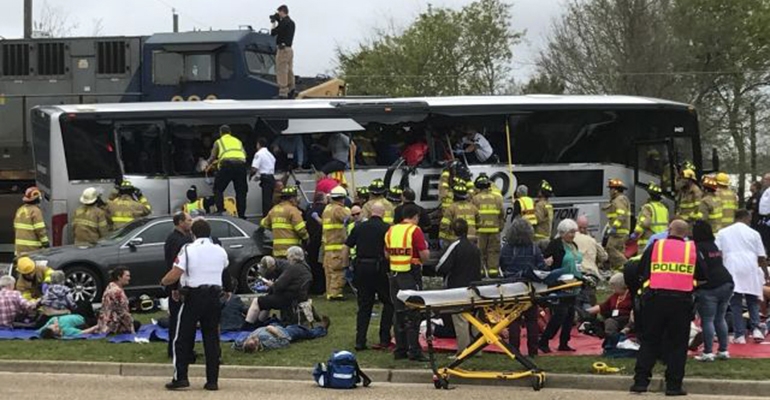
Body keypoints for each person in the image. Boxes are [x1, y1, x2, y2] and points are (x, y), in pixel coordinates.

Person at [630, 220, 708, 396]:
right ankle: (673, 386)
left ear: (669, 230)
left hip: (655, 300)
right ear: (685, 233)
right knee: (678, 345)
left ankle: (640, 383)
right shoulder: (692, 249)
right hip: (681, 302)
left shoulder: (656, 246)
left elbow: (641, 270)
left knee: (649, 340)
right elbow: (703, 275)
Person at [162, 219, 229, 391]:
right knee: (212, 339)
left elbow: (176, 272)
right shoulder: (219, 250)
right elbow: (225, 273)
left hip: (194, 297)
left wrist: (164, 281)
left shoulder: (188, 249)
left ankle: (181, 377)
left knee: (182, 337)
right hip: (214, 297)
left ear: (193, 233)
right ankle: (212, 381)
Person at [343, 202, 393, 351]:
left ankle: (360, 341)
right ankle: (384, 339)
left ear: (370, 213)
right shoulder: (387, 229)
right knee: (388, 303)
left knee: (364, 306)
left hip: (362, 269)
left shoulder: (359, 227)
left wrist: (346, 266)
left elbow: (346, 247)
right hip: (380, 269)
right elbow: (388, 252)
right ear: (382, 213)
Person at [716, 210, 769, 344]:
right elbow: (761, 256)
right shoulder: (754, 233)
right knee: (752, 300)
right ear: (746, 218)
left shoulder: (723, 232)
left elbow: (718, 252)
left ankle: (739, 334)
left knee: (735, 303)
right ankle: (756, 328)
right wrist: (766, 274)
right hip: (750, 267)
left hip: (731, 267)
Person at [386, 204, 430, 361]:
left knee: (398, 313)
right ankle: (414, 351)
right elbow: (424, 256)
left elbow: (386, 253)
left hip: (394, 275)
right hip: (410, 275)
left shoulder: (391, 230)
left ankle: (400, 349)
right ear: (415, 217)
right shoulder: (414, 230)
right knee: (414, 313)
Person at [499, 218, 548, 356]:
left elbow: (502, 265)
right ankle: (533, 351)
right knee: (531, 320)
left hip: (512, 287)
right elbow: (541, 268)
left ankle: (514, 350)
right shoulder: (534, 248)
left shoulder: (507, 248)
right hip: (529, 287)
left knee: (514, 320)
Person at [436, 219, 482, 357]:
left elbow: (442, 266)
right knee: (475, 320)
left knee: (460, 319)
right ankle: (478, 349)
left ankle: (463, 351)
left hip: (458, 289)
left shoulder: (454, 246)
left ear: (453, 231)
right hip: (475, 287)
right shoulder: (475, 248)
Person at [691, 220, 734, 361]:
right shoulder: (713, 245)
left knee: (707, 320)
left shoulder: (697, 247)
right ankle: (723, 350)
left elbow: (700, 266)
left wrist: (699, 281)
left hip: (710, 286)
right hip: (726, 282)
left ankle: (708, 352)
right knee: (720, 318)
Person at [540, 219, 583, 353]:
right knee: (560, 314)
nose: (573, 235)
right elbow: (545, 263)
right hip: (560, 285)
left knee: (570, 315)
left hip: (574, 283)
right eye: (570, 232)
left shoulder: (573, 245)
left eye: (574, 232)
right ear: (562, 232)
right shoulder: (555, 245)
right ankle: (544, 340)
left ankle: (564, 342)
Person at [244, 248, 313, 324]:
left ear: (293, 257)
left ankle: (248, 325)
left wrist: (271, 285)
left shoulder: (292, 269)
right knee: (268, 298)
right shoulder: (306, 268)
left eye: (288, 256)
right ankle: (260, 322)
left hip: (288, 299)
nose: (287, 258)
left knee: (256, 301)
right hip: (298, 297)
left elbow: (278, 286)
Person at [163, 212, 193, 358]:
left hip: (180, 286)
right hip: (177, 287)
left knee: (183, 320)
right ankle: (175, 350)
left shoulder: (182, 238)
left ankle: (184, 349)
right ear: (180, 222)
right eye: (189, 220)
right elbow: (174, 266)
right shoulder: (176, 240)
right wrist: (174, 288)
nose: (191, 222)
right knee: (177, 320)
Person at [208, 125, 248, 218]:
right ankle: (242, 215)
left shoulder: (219, 142)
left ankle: (220, 211)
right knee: (241, 192)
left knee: (218, 189)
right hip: (241, 166)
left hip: (227, 166)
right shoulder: (238, 141)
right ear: (230, 132)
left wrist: (208, 164)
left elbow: (213, 156)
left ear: (221, 133)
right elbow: (244, 154)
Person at [260, 186, 309, 258]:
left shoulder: (274, 210)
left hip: (277, 251)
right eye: (296, 197)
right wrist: (307, 238)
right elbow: (301, 230)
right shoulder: (293, 210)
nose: (297, 200)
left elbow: (263, 223)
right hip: (291, 251)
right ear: (292, 199)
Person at [322, 186, 352, 300]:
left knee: (329, 272)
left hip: (328, 246)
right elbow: (349, 218)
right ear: (342, 198)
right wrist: (349, 210)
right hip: (337, 246)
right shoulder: (339, 209)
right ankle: (336, 295)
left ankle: (330, 293)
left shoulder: (327, 209)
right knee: (338, 272)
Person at [234, 317, 331, 353]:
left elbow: (235, 344)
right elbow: (285, 342)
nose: (254, 337)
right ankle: (322, 329)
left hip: (274, 326)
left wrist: (244, 343)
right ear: (256, 347)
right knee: (306, 332)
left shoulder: (242, 343)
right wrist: (274, 332)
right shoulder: (268, 343)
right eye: (255, 341)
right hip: (286, 332)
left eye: (251, 338)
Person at [472, 174, 504, 278]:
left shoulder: (475, 199)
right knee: (493, 251)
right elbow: (501, 215)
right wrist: (500, 227)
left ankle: (480, 272)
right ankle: (493, 272)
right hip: (494, 230)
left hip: (480, 231)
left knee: (480, 252)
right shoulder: (497, 199)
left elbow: (473, 215)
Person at [586, 273, 633, 339]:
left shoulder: (631, 295)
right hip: (614, 318)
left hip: (627, 318)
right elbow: (602, 307)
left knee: (610, 322)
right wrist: (586, 312)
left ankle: (611, 339)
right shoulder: (614, 296)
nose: (612, 288)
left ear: (620, 285)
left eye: (613, 286)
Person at [96, 267, 137, 335]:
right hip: (112, 325)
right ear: (119, 277)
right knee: (137, 324)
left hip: (103, 322)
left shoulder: (110, 286)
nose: (129, 278)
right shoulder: (117, 292)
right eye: (127, 276)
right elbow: (123, 314)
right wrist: (132, 331)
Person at [439, 182, 479, 246]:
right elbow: (479, 224)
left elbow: (444, 225)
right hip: (472, 239)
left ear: (454, 195)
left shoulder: (451, 208)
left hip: (455, 240)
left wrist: (444, 238)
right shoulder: (473, 208)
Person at [604, 179, 631, 270]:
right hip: (619, 232)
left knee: (610, 248)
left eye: (610, 189)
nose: (609, 191)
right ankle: (619, 273)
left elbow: (621, 215)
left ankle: (628, 267)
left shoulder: (619, 199)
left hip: (618, 233)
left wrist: (614, 227)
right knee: (619, 252)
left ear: (615, 190)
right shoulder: (618, 200)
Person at [632, 182, 669, 250]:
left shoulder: (648, 207)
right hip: (662, 240)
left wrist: (636, 233)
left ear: (650, 195)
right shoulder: (664, 208)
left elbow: (645, 223)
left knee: (643, 259)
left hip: (648, 240)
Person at [14, 186, 49, 255]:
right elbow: (40, 230)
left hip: (19, 249)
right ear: (37, 199)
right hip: (32, 249)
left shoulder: (20, 210)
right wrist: (45, 243)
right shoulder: (35, 211)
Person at [304, 192, 327, 295]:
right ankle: (321, 288)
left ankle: (314, 287)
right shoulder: (325, 209)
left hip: (311, 242)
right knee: (322, 265)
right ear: (323, 199)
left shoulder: (309, 210)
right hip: (321, 241)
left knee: (313, 265)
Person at [271, 4, 296, 98]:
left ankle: (283, 92)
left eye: (279, 12)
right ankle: (291, 88)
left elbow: (273, 33)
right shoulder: (292, 23)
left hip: (282, 49)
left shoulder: (284, 22)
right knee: (289, 70)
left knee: (281, 69)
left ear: (282, 11)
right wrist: (279, 21)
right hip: (289, 49)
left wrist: (274, 22)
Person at [251, 137, 277, 216]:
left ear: (258, 144)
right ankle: (271, 216)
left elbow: (255, 168)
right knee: (270, 200)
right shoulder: (270, 154)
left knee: (266, 201)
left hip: (265, 179)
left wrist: (251, 174)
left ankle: (266, 219)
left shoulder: (259, 153)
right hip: (271, 178)